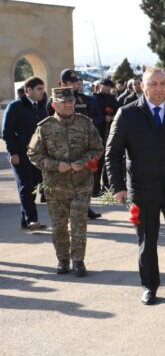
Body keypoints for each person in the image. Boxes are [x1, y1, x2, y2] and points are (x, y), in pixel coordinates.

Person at [105, 67, 165, 307]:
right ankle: (149, 286)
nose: (158, 89)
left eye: (162, 84)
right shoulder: (127, 114)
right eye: (153, 84)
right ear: (142, 86)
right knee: (147, 242)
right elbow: (113, 152)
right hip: (143, 189)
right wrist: (118, 186)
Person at [27, 88, 104, 276]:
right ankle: (63, 260)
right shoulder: (44, 127)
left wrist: (83, 162)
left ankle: (78, 261)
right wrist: (55, 165)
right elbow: (33, 153)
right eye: (65, 102)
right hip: (55, 187)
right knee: (59, 226)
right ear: (54, 105)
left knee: (79, 224)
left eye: (71, 101)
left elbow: (97, 149)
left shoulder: (85, 124)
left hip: (81, 184)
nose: (70, 105)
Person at [55, 69, 103, 219]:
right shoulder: (55, 100)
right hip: (63, 146)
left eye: (76, 82)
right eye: (71, 82)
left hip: (82, 145)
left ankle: (85, 208)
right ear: (63, 84)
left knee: (84, 179)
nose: (75, 84)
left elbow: (96, 117)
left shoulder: (84, 99)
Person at [2, 76, 48, 231]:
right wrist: (13, 152)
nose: (42, 92)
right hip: (20, 154)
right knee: (25, 186)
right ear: (28, 90)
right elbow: (7, 132)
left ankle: (25, 220)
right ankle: (32, 220)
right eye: (39, 89)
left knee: (33, 186)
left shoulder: (41, 107)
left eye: (43, 88)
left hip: (37, 155)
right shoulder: (15, 106)